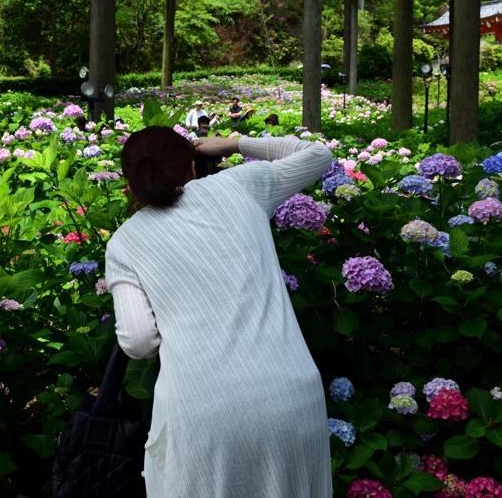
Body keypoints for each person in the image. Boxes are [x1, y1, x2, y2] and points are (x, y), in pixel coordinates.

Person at [106, 128, 333, 498]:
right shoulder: (239, 186)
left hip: (204, 414)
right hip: (293, 396)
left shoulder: (125, 243)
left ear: (129, 183)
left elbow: (138, 340)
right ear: (192, 166)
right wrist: (233, 143)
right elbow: (317, 155)